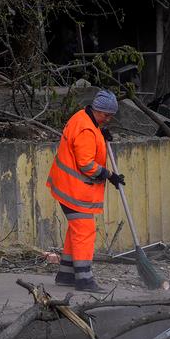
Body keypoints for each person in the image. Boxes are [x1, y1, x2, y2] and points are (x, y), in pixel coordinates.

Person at [47, 90, 124, 291]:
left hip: (68, 186)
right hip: (73, 190)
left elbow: (87, 146)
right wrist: (109, 175)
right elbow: (86, 164)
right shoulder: (87, 130)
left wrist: (101, 131)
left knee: (77, 229)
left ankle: (66, 275)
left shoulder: (84, 119)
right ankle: (84, 279)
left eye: (111, 116)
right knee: (84, 230)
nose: (108, 119)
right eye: (106, 115)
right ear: (97, 110)